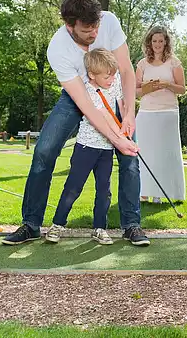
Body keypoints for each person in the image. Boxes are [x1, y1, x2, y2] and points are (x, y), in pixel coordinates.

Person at [2, 0, 149, 247]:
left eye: (96, 26)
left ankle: (131, 225)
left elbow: (125, 70)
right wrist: (116, 139)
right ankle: (31, 224)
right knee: (44, 152)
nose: (94, 34)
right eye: (86, 30)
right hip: (78, 95)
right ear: (69, 25)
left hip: (112, 94)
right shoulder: (57, 49)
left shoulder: (109, 21)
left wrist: (128, 114)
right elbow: (88, 107)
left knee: (129, 158)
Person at [46, 49, 126, 245]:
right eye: (107, 76)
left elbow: (121, 105)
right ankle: (57, 225)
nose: (112, 79)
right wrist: (121, 138)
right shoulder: (85, 91)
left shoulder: (114, 83)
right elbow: (101, 118)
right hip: (86, 147)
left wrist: (126, 124)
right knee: (73, 187)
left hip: (106, 149)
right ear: (92, 74)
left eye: (113, 74)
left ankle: (100, 228)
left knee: (104, 190)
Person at [134, 26, 186, 203]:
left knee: (165, 154)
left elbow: (182, 89)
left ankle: (161, 194)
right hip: (146, 112)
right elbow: (135, 91)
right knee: (146, 152)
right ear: (149, 42)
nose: (157, 44)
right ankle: (143, 192)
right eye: (154, 41)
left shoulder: (174, 62)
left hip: (168, 112)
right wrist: (147, 88)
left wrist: (167, 85)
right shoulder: (142, 64)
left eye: (161, 41)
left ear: (166, 43)